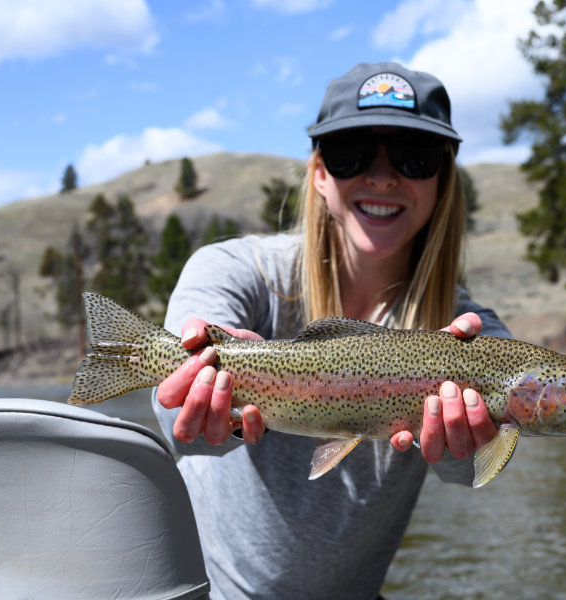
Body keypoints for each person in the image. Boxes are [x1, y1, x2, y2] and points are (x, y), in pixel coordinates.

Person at [152, 61, 512, 600]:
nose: (383, 177)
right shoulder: (234, 270)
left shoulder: (472, 334)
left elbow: (468, 472)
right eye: (353, 154)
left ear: (443, 179)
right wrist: (209, 401)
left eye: (414, 157)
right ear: (320, 173)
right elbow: (171, 419)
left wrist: (468, 443)